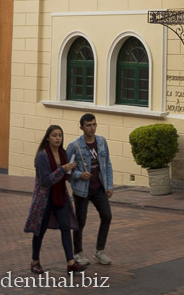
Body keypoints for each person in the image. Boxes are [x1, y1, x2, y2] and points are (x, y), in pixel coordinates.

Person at [24, 125, 83, 274]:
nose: (58, 138)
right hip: (44, 199)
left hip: (60, 196)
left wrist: (71, 170)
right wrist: (62, 169)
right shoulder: (42, 156)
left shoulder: (63, 153)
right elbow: (46, 180)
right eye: (54, 135)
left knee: (66, 228)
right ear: (48, 138)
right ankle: (35, 261)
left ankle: (71, 263)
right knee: (40, 230)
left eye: (60, 135)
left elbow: (66, 177)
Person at [66, 113, 113, 266]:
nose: (92, 128)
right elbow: (67, 172)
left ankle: (100, 251)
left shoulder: (101, 142)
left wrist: (109, 185)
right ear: (81, 127)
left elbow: (107, 165)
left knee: (107, 216)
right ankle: (78, 253)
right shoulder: (74, 146)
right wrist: (80, 174)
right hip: (82, 189)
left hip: (98, 187)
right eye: (88, 125)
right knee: (80, 222)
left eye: (94, 124)